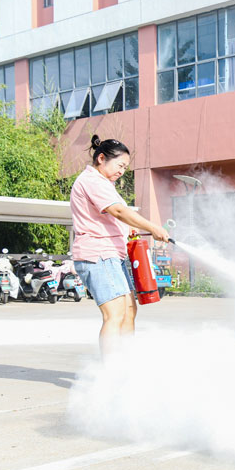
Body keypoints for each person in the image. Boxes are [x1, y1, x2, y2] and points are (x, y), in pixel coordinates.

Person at [70, 135, 170, 356]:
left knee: (129, 311)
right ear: (101, 158)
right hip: (98, 254)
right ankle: (111, 371)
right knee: (114, 314)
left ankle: (125, 364)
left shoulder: (104, 184)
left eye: (125, 167)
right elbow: (118, 210)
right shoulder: (92, 181)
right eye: (120, 165)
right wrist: (153, 227)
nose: (122, 171)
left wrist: (128, 229)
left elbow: (113, 216)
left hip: (112, 255)